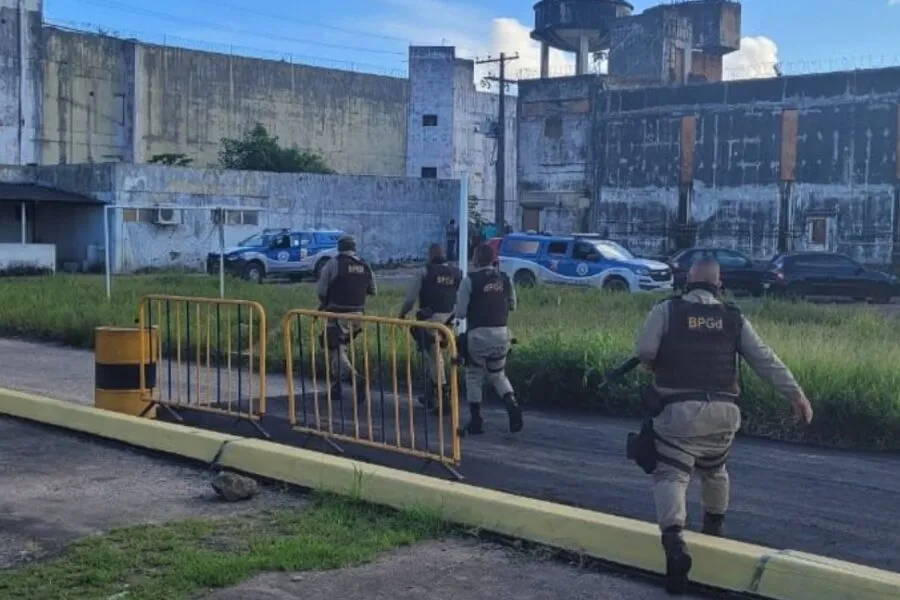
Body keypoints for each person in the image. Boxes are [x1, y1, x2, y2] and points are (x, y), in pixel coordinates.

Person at [633, 257, 813, 595]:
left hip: (678, 412)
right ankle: (714, 531)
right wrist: (797, 395)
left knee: (671, 473)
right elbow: (765, 359)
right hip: (725, 414)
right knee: (715, 469)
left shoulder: (666, 310)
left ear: (687, 280)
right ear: (720, 283)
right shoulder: (733, 318)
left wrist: (653, 363)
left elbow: (645, 351)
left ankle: (674, 544)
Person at [455, 243, 522, 435]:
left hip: (478, 336)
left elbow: (460, 312)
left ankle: (476, 420)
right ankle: (511, 402)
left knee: (474, 374)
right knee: (498, 374)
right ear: (493, 260)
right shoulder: (505, 278)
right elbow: (513, 306)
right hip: (503, 335)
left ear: (476, 260)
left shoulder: (470, 280)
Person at [398, 243, 462, 410]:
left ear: (430, 256)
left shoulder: (425, 272)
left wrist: (402, 314)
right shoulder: (457, 272)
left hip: (430, 321)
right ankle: (429, 395)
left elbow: (410, 299)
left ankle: (443, 396)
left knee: (435, 360)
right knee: (434, 358)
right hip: (449, 322)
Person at [316, 235, 377, 403]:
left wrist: (326, 302)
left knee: (334, 347)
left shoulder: (334, 263)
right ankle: (336, 387)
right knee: (338, 348)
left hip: (337, 314)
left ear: (339, 248)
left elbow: (321, 290)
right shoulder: (364, 264)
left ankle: (355, 379)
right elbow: (373, 290)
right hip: (358, 315)